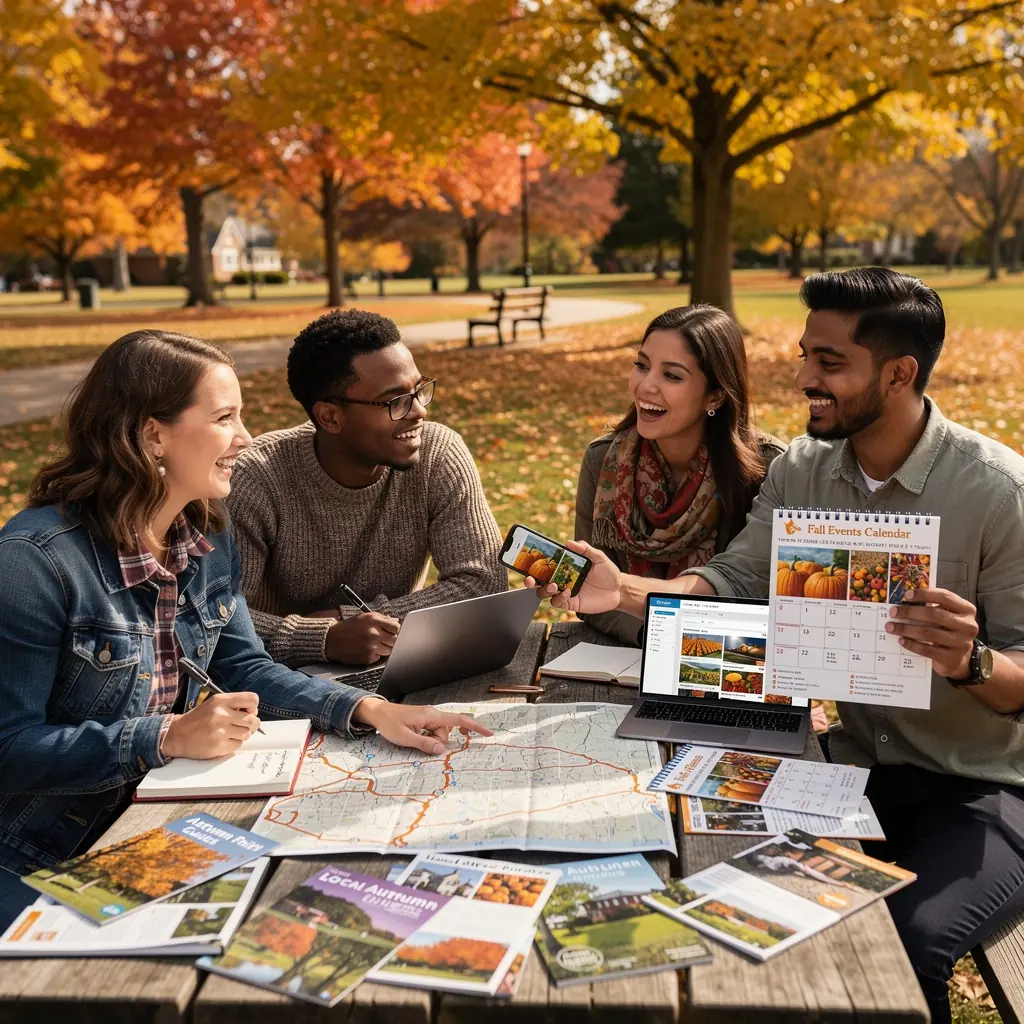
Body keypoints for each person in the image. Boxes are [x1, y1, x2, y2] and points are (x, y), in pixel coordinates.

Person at [537, 267, 1024, 1024]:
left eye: (828, 364)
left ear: (898, 374)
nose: (802, 378)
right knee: (709, 900)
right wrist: (625, 591)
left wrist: (973, 661)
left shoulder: (998, 492)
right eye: (805, 356)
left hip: (985, 787)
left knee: (907, 941)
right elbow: (735, 576)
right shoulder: (803, 468)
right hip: (850, 766)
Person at [0, 330, 491, 929]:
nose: (245, 438)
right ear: (153, 434)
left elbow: (248, 666)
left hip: (158, 827)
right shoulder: (35, 562)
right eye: (225, 417)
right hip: (34, 856)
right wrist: (165, 736)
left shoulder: (205, 536)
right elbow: (8, 749)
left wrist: (368, 710)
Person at [225, 309, 507, 668]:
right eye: (395, 401)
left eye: (419, 390)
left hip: (400, 664)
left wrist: (356, 622)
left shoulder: (438, 453)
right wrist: (323, 640)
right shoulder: (258, 478)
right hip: (283, 681)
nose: (419, 411)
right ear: (330, 417)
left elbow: (483, 584)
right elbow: (220, 620)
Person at [575, 304, 784, 643]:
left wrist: (677, 645)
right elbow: (591, 592)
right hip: (623, 654)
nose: (645, 387)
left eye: (671, 375)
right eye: (642, 366)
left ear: (715, 394)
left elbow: (765, 597)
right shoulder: (603, 461)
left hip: (727, 662)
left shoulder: (767, 468)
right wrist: (653, 637)